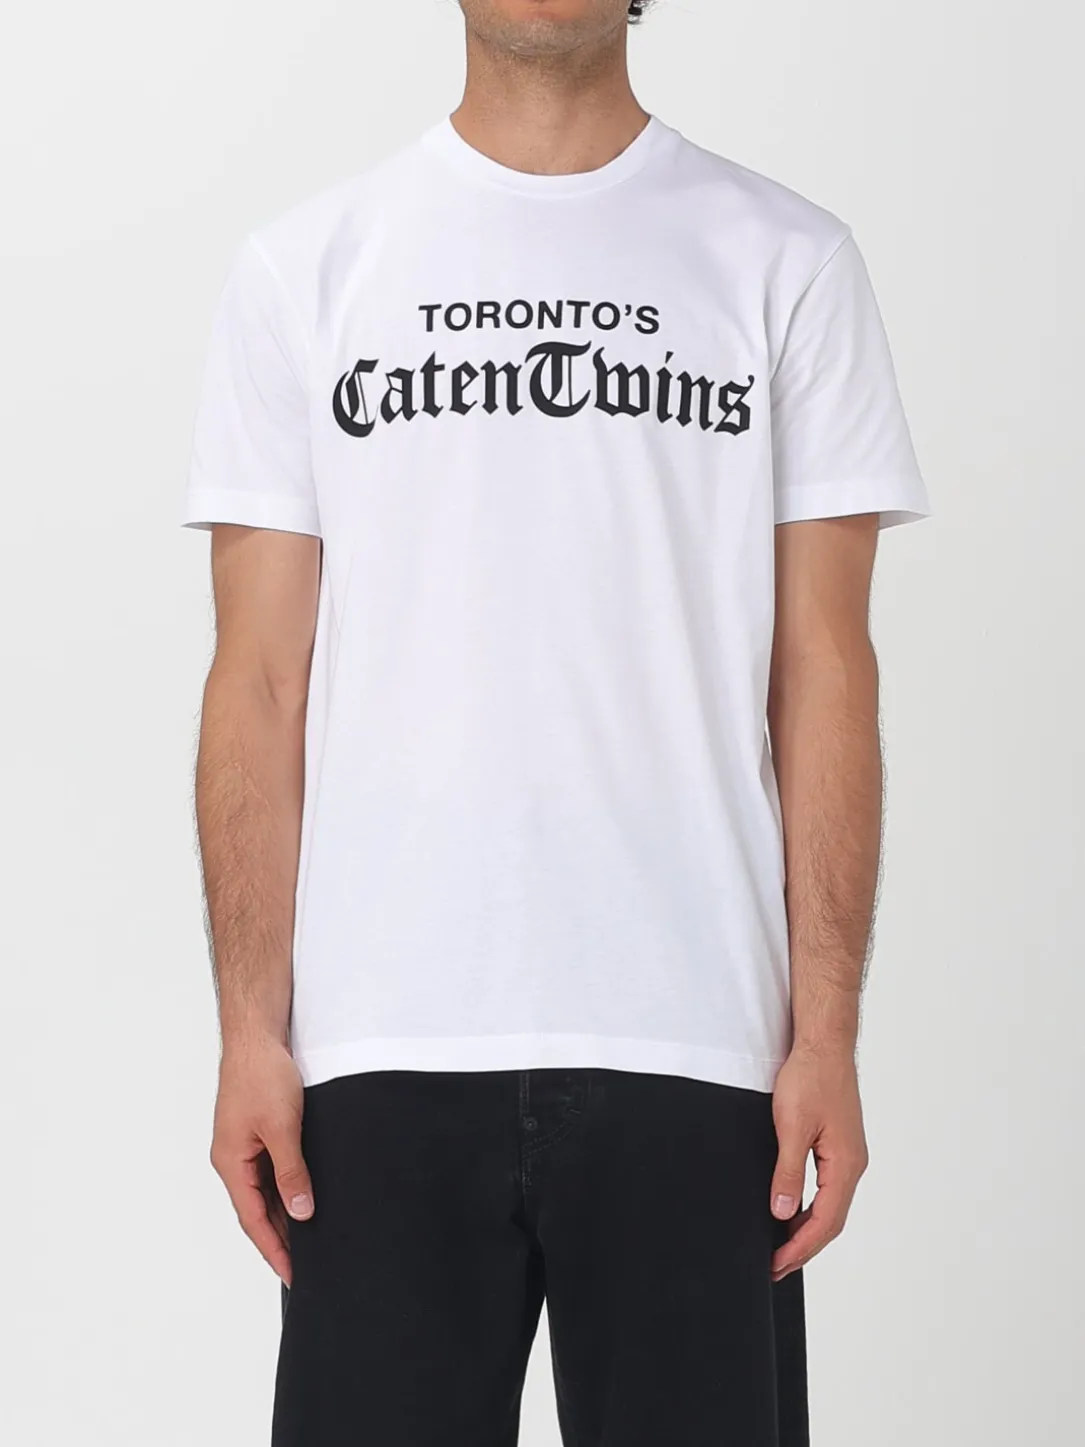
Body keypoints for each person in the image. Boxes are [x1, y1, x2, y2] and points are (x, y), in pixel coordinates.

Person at [184, 2, 929, 1443]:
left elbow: (827, 670)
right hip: (378, 1045)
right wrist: (247, 1031)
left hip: (701, 1042)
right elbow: (259, 679)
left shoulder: (788, 261)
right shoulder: (306, 267)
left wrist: (827, 1030)